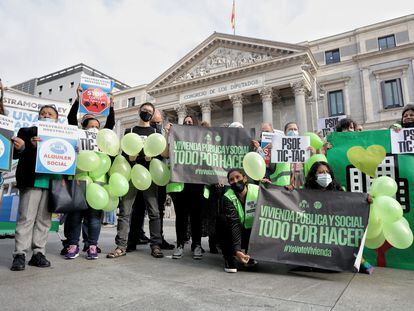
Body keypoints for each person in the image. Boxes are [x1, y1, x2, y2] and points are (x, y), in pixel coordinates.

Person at [61, 86, 115, 259]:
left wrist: (111, 106)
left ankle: (92, 245)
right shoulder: (77, 135)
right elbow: (70, 119)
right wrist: (78, 99)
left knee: (94, 217)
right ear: (83, 127)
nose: (94, 129)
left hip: (98, 181)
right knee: (75, 216)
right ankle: (72, 245)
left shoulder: (103, 139)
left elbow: (111, 125)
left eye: (97, 126)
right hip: (80, 179)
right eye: (91, 126)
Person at [107, 102, 164, 259]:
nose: (146, 112)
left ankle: (156, 245)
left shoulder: (155, 132)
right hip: (131, 175)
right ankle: (121, 245)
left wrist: (152, 156)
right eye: (144, 110)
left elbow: (160, 154)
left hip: (149, 175)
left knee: (154, 212)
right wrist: (128, 157)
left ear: (152, 115)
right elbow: (124, 151)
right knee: (125, 211)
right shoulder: (129, 131)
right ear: (139, 111)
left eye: (149, 111)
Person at [10, 105, 61, 271]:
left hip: (50, 182)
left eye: (50, 114)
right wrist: (28, 146)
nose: (46, 115)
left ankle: (38, 253)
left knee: (44, 220)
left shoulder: (62, 136)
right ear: (38, 116)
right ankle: (20, 254)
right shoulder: (26, 131)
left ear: (56, 119)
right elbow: (17, 153)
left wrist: (73, 150)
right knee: (26, 218)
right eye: (43, 113)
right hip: (31, 180)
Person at [304, 161, 374, 274]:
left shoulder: (339, 191)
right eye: (321, 172)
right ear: (314, 176)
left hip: (333, 231)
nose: (325, 174)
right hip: (314, 231)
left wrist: (365, 200)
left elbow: (351, 203)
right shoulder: (306, 192)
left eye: (327, 172)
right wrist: (290, 190)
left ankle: (360, 262)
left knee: (347, 242)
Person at [127, 109, 174, 251]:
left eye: (159, 122)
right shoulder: (140, 133)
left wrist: (166, 133)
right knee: (138, 209)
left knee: (157, 211)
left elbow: (165, 153)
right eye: (154, 122)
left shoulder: (161, 134)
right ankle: (133, 239)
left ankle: (158, 240)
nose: (156, 124)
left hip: (158, 176)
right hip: (140, 175)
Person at [168, 115, 205, 260]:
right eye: (185, 122)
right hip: (181, 184)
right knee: (181, 217)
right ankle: (180, 244)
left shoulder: (201, 140)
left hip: (198, 184)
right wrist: (168, 134)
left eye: (190, 122)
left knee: (197, 217)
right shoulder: (177, 139)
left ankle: (196, 245)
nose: (187, 123)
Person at [220, 168, 258, 273]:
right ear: (229, 183)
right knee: (222, 221)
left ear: (245, 178)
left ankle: (251, 255)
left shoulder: (257, 190)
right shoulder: (227, 197)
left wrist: (269, 187)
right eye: (232, 180)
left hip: (253, 233)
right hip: (237, 232)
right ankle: (229, 257)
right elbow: (234, 224)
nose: (235, 181)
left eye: (238, 177)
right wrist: (237, 250)